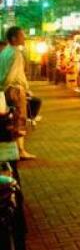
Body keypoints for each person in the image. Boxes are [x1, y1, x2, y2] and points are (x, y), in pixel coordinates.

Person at [0, 27, 37, 159]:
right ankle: (20, 150)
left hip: (6, 89)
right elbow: (13, 75)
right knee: (19, 119)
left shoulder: (5, 52)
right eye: (22, 35)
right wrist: (25, 89)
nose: (24, 37)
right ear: (14, 38)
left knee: (11, 119)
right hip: (14, 89)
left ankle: (16, 149)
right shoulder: (16, 53)